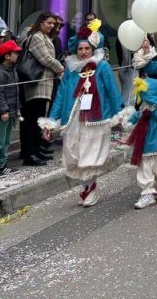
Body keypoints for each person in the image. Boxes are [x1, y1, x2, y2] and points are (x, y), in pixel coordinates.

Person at [39, 32, 123, 207]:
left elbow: (112, 91)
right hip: (73, 117)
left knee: (89, 154)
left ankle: (90, 188)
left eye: (87, 48)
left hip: (95, 119)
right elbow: (61, 95)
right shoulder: (70, 68)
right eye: (80, 49)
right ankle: (87, 187)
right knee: (74, 153)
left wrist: (120, 114)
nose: (84, 52)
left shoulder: (103, 67)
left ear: (93, 49)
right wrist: (51, 119)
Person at [122, 77, 157, 210]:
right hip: (144, 143)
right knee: (145, 167)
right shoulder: (144, 109)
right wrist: (129, 122)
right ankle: (147, 192)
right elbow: (136, 116)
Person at [20, 12, 65, 167]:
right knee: (32, 120)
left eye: (54, 24)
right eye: (49, 23)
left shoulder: (46, 38)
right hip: (36, 84)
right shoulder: (37, 37)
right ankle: (29, 154)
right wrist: (60, 68)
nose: (52, 26)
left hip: (44, 84)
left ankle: (36, 150)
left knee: (38, 121)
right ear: (41, 23)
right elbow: (45, 58)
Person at [0, 38, 21, 178]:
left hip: (10, 111)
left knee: (6, 140)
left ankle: (2, 164)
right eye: (15, 53)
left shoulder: (10, 70)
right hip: (2, 113)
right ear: (7, 56)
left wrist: (16, 109)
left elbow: (14, 93)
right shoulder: (0, 73)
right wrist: (4, 110)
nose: (17, 55)